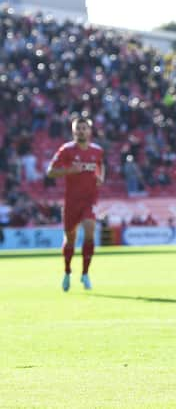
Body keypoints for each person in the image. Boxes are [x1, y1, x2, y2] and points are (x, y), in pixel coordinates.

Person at [47, 117, 104, 291]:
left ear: (89, 131)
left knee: (89, 229)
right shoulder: (66, 150)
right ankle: (67, 271)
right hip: (71, 202)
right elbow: (50, 172)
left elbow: (101, 165)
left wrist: (101, 176)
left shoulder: (97, 151)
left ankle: (85, 274)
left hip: (90, 200)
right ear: (73, 131)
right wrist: (68, 170)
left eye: (84, 128)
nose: (81, 131)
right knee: (70, 238)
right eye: (78, 128)